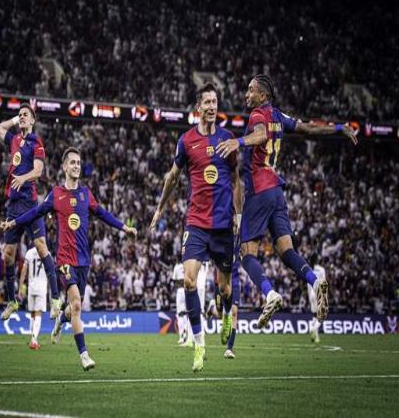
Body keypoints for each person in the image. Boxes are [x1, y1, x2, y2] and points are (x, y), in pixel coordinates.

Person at [216, 74, 357, 328]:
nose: (246, 94)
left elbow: (260, 135)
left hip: (259, 189)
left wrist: (237, 141)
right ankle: (314, 280)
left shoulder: (257, 115)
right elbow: (309, 128)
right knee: (286, 251)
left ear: (263, 96)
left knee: (247, 254)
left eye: (251, 90)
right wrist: (339, 128)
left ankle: (270, 294)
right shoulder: (279, 116)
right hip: (277, 192)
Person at [1, 147, 137, 370]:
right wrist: (13, 222)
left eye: (78, 163)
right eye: (72, 162)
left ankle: (60, 322)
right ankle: (84, 355)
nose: (76, 166)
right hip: (64, 260)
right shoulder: (56, 194)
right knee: (76, 305)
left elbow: (103, 214)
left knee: (72, 308)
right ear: (64, 167)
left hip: (84, 260)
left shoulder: (86, 194)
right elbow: (35, 212)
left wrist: (125, 228)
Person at [150, 83, 242, 372]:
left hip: (223, 224)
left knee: (225, 287)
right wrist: (160, 207)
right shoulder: (187, 141)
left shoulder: (228, 139)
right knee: (189, 280)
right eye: (207, 102)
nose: (212, 106)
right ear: (198, 107)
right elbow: (172, 177)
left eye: (215, 102)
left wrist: (238, 214)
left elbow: (236, 179)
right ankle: (199, 344)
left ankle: (225, 314)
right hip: (196, 223)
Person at [0, 104, 60, 320]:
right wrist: (15, 119)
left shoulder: (36, 142)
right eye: (20, 114)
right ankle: (12, 301)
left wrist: (23, 178)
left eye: (26, 115)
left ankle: (55, 299)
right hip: (13, 205)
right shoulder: (14, 140)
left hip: (30, 203)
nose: (22, 117)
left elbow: (39, 171)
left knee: (41, 247)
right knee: (8, 254)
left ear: (33, 121)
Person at [18, 246, 47, 349]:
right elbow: (51, 272)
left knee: (33, 314)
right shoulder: (46, 252)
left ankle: (33, 339)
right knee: (38, 314)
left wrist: (20, 287)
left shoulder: (29, 253)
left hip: (31, 287)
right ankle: (33, 341)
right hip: (41, 288)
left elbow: (23, 271)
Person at [307, 254, 326, 344]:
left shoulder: (308, 270)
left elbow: (308, 285)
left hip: (311, 294)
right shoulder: (321, 269)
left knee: (315, 316)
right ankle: (312, 329)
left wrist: (310, 298)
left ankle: (316, 337)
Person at [172, 262, 188, 345]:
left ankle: (182, 336)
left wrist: (178, 283)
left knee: (180, 314)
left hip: (180, 291)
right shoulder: (187, 264)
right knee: (185, 313)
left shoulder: (177, 266)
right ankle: (186, 333)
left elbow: (174, 280)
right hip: (187, 290)